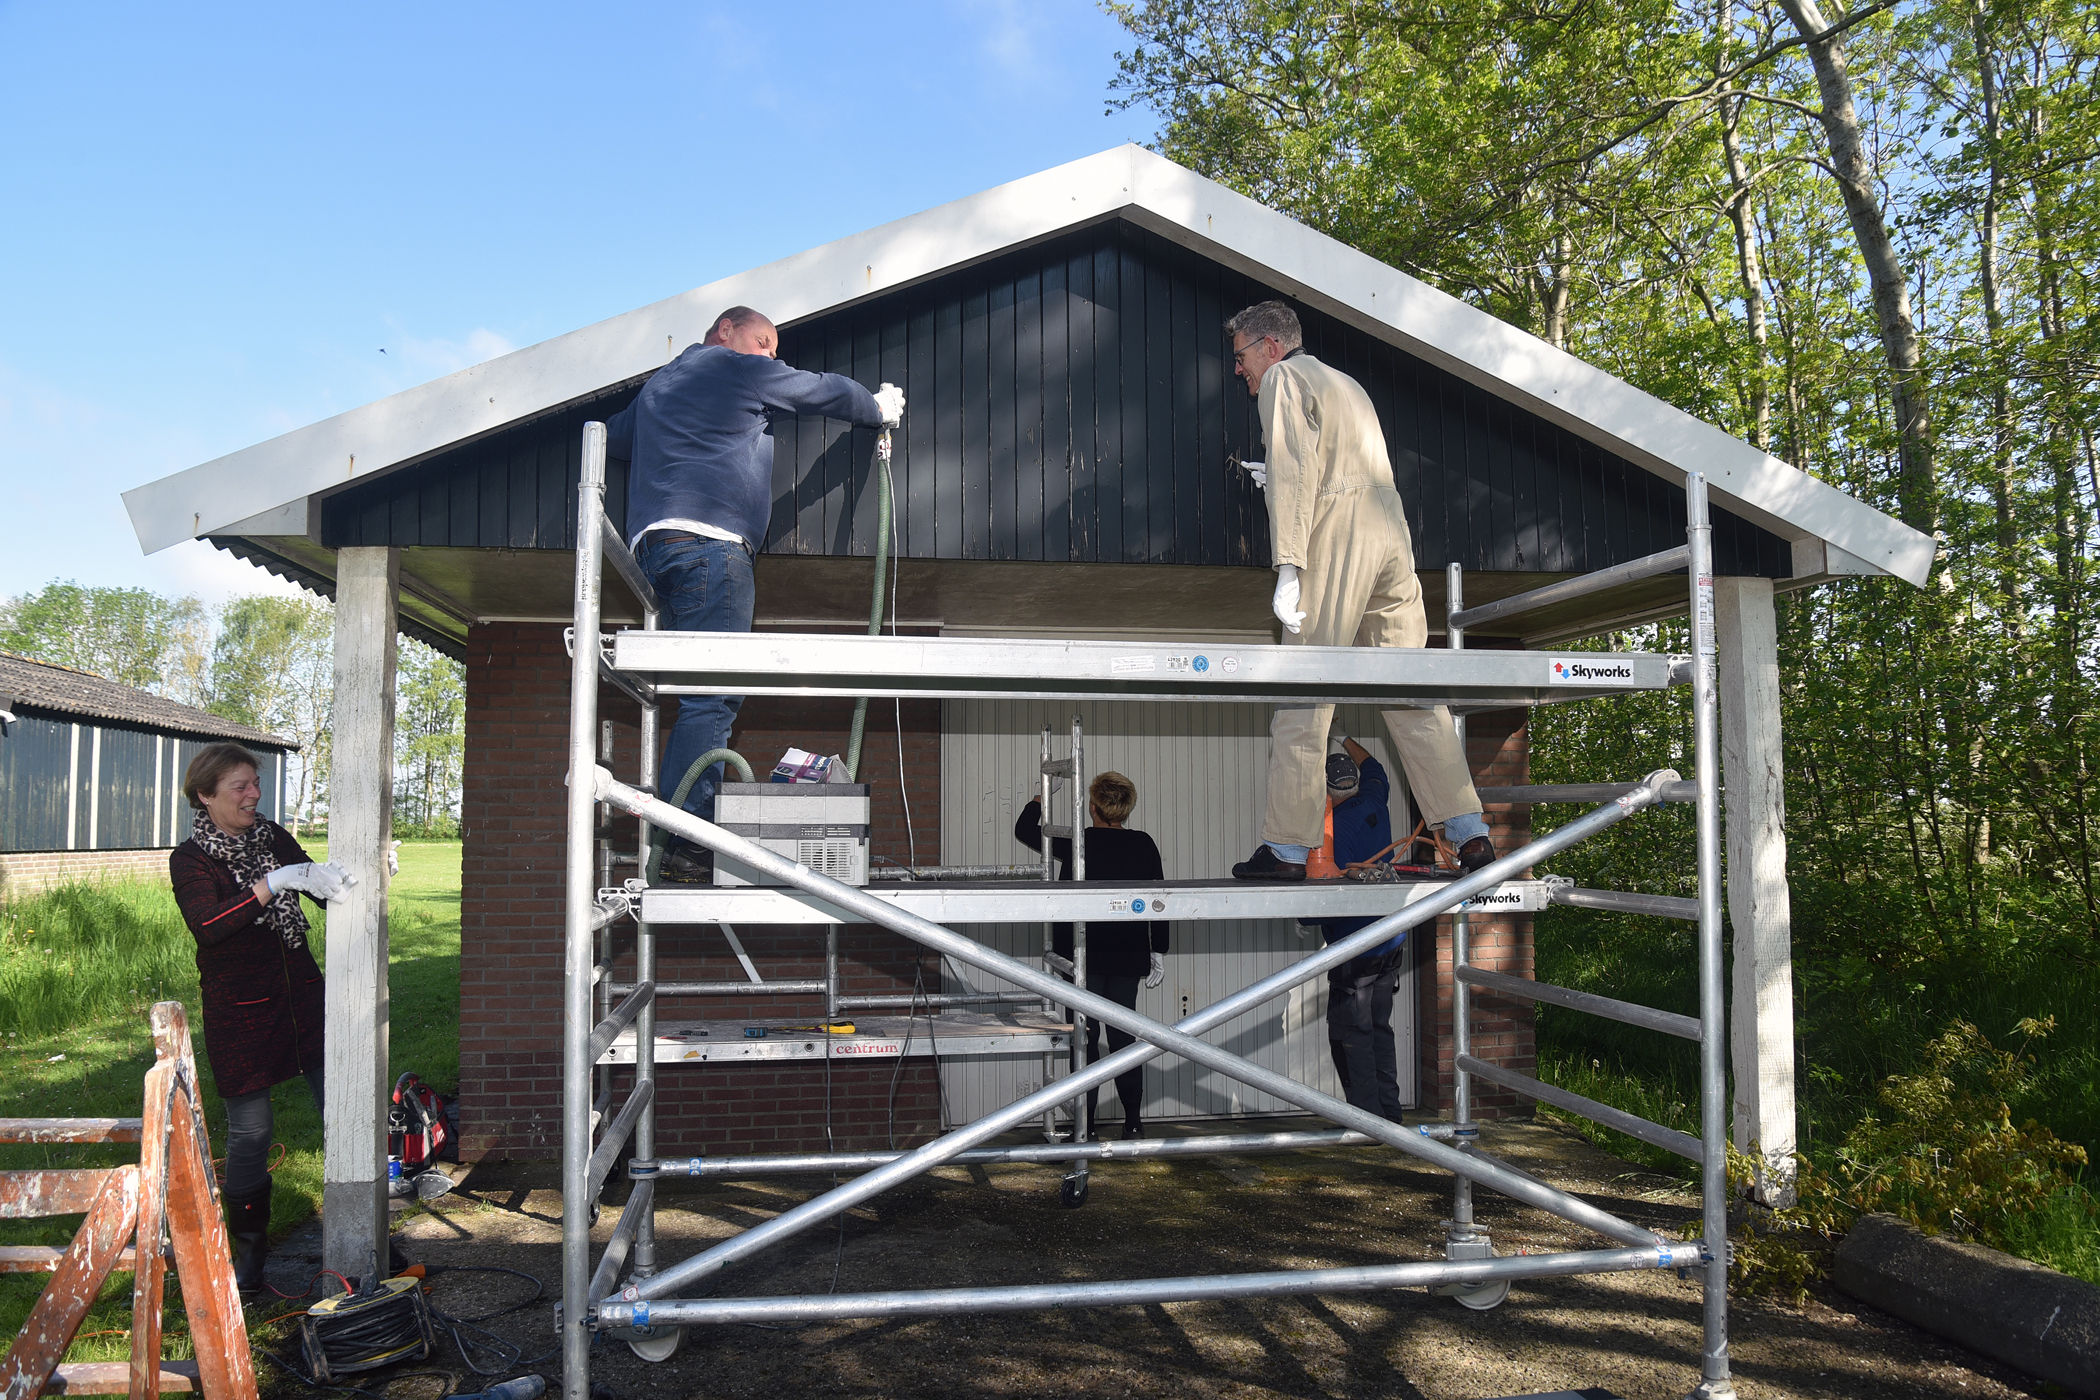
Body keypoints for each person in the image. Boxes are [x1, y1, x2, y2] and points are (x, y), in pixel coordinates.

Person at [608, 306, 904, 882]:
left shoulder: (660, 387)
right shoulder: (730, 367)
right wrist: (874, 407)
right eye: (764, 341)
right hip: (711, 545)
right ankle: (685, 838)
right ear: (725, 331)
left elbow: (616, 439)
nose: (771, 355)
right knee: (712, 699)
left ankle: (673, 832)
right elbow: (818, 391)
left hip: (655, 548)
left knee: (695, 695)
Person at [1223, 299, 1496, 881]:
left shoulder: (1285, 378)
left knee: (1304, 693)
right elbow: (1343, 467)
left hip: (1339, 535)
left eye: (1241, 355)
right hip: (1390, 532)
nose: (1238, 369)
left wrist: (1289, 563)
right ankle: (1469, 832)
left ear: (1271, 347)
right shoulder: (1348, 384)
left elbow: (1297, 469)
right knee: (1411, 691)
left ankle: (1288, 850)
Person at [168, 742, 349, 1296]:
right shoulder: (191, 859)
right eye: (240, 787)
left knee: (342, 1113)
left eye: (255, 783)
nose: (254, 795)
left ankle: (364, 1236)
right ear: (206, 795)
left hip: (303, 1000)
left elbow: (318, 888)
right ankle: (249, 1256)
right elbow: (210, 923)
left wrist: (349, 879)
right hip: (241, 1012)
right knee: (251, 1133)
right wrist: (273, 883)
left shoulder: (271, 837)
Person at [1014, 771, 1168, 1139]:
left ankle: (1088, 1127)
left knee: (1085, 1038)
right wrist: (1159, 949)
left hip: (1083, 955)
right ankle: (1133, 1124)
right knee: (1123, 1039)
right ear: (1126, 810)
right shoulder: (1144, 844)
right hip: (1128, 954)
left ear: (1094, 808)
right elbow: (1161, 899)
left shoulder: (1078, 842)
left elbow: (1024, 830)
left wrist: (1040, 797)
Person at [1314, 735, 1411, 1121]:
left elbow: (1317, 897)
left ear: (1326, 791)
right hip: (1389, 944)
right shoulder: (1375, 798)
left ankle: (1368, 1124)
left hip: (1355, 952)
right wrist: (1341, 737)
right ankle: (1391, 1116)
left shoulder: (1330, 832)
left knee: (1350, 1036)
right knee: (1378, 1029)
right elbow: (1374, 765)